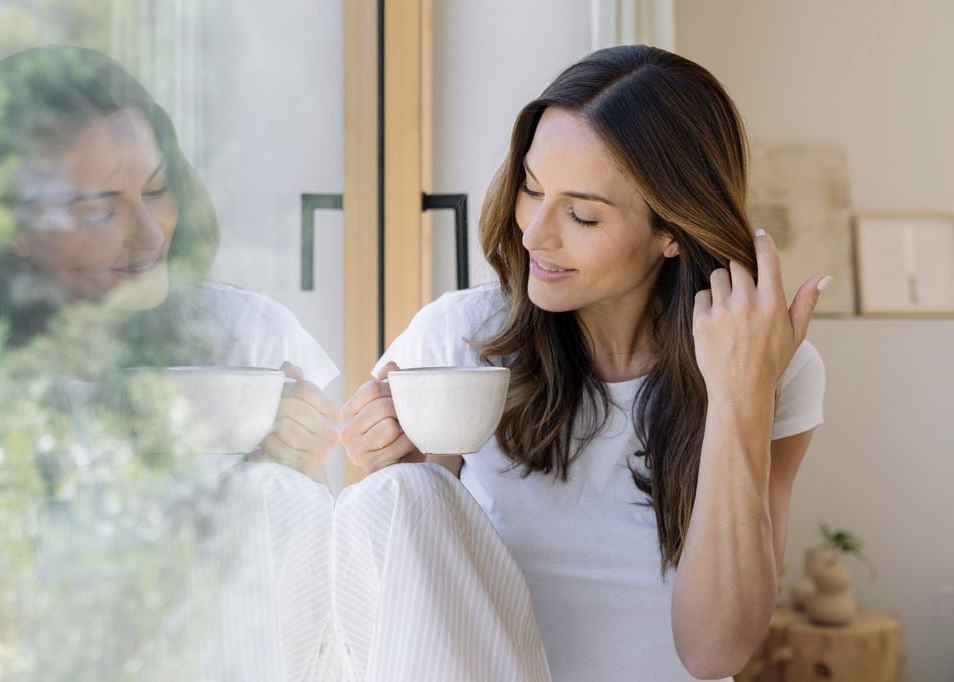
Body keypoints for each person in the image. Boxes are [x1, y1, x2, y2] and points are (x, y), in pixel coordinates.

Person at [340, 44, 827, 681]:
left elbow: (716, 653)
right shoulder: (460, 339)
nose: (534, 233)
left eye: (581, 214)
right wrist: (393, 474)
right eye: (531, 189)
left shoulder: (774, 367)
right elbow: (404, 614)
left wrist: (740, 394)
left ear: (672, 231)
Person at [0, 45, 340, 680]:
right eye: (99, 210)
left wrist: (304, 470)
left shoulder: (246, 340)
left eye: (157, 190)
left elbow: (322, 607)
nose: (150, 234)